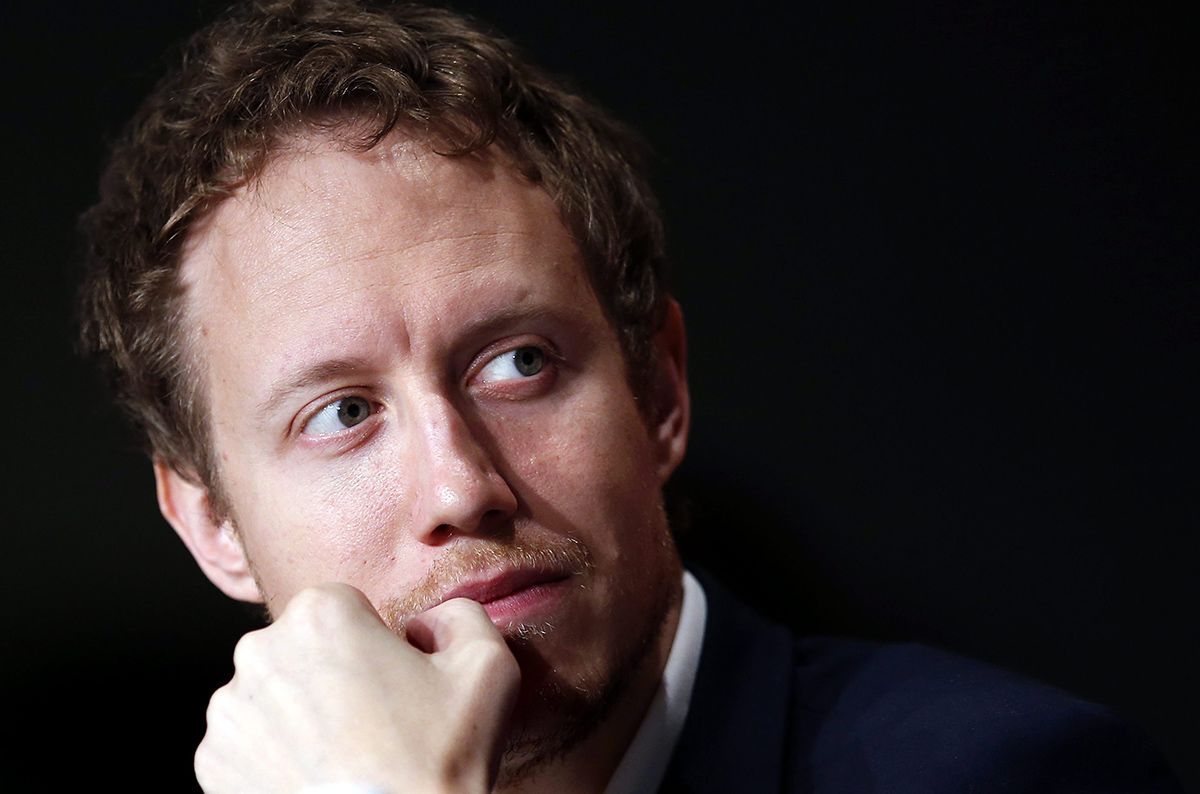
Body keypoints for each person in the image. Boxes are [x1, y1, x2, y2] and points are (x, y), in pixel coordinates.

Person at [78, 1, 1184, 792]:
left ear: (658, 389)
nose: (460, 487)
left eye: (518, 363)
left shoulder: (1005, 771)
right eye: (342, 414)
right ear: (214, 526)